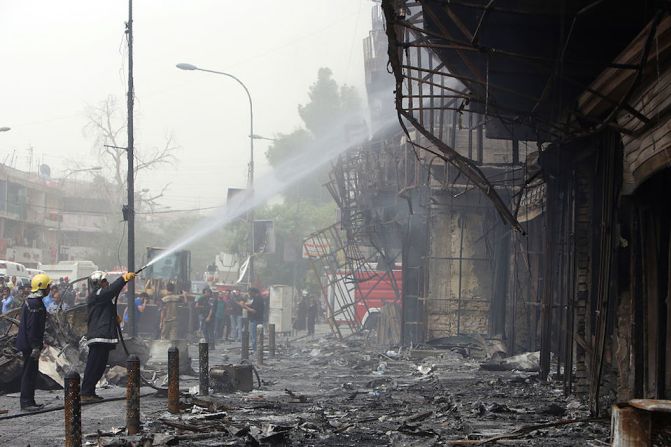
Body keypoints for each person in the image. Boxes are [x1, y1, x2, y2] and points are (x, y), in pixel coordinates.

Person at [81, 270, 135, 402]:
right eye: (104, 281)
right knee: (94, 365)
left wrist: (113, 317)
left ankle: (90, 392)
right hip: (98, 336)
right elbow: (110, 291)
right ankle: (85, 392)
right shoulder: (98, 293)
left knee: (99, 366)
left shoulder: (101, 297)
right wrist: (123, 279)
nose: (107, 283)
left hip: (103, 337)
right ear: (98, 283)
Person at [15, 273, 51, 411]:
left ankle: (30, 400)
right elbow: (33, 328)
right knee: (29, 373)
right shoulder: (36, 304)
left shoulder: (30, 301)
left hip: (27, 343)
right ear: (42, 287)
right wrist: (36, 346)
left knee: (30, 372)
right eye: (48, 286)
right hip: (30, 345)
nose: (49, 289)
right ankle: (26, 402)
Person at [241, 288, 264, 352]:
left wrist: (245, 307)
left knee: (254, 336)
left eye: (249, 293)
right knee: (257, 336)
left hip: (255, 320)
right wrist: (245, 305)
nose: (249, 294)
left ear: (253, 292)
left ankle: (255, 351)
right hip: (258, 319)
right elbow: (253, 305)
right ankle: (257, 350)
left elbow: (254, 311)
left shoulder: (257, 299)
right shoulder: (259, 298)